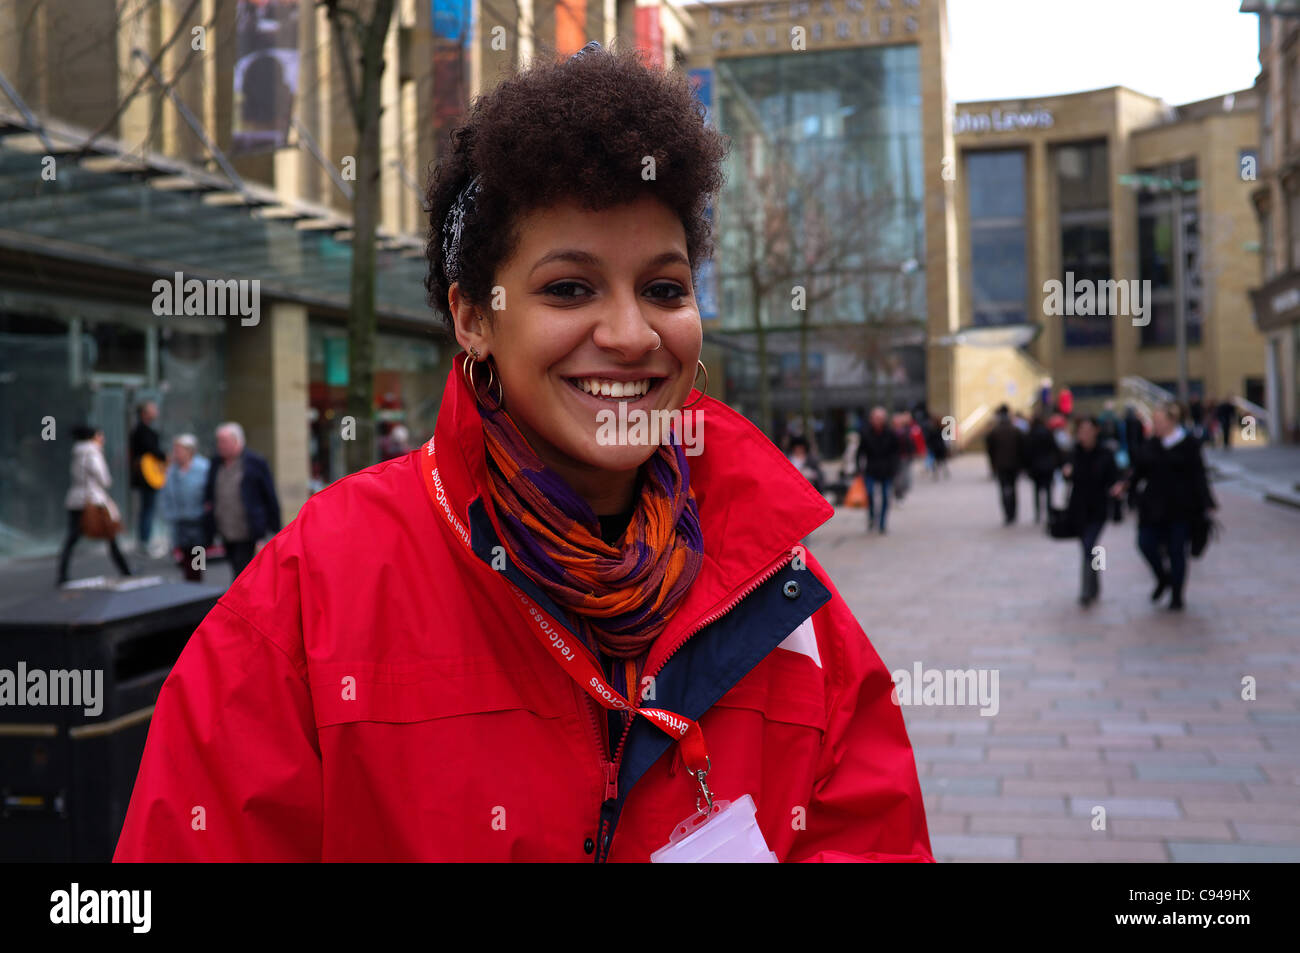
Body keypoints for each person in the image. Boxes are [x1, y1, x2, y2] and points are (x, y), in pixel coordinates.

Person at [115, 44, 931, 863]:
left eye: (664, 288)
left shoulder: (788, 602)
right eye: (569, 288)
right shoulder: (310, 592)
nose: (631, 334)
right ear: (472, 318)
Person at [1122, 402, 1216, 611]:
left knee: (1177, 551)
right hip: (1153, 507)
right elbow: (1138, 472)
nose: (1156, 426)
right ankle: (1163, 578)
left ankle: (1176, 595)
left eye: (1160, 422)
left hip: (1181, 507)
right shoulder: (1150, 444)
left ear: (1172, 421)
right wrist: (1125, 487)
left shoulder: (1189, 444)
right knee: (1145, 543)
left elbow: (1199, 475)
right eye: (1155, 422)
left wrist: (1207, 502)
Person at [202, 422, 281, 583]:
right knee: (234, 566)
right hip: (225, 529)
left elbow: (269, 495)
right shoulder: (216, 463)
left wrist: (274, 529)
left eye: (223, 441)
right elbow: (210, 492)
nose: (220, 446)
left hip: (248, 529)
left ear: (236, 441)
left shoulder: (255, 462)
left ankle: (241, 603)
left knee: (243, 570)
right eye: (218, 441)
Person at [57, 425, 131, 586]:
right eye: (100, 435)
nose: (102, 438)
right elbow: (104, 479)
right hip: (93, 500)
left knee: (72, 538)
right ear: (93, 437)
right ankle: (125, 570)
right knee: (111, 536)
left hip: (75, 499)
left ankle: (62, 573)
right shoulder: (93, 453)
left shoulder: (77, 452)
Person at [1062, 417, 1122, 607]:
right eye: (1081, 430)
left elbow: (1114, 478)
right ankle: (1095, 581)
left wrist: (1117, 489)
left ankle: (1086, 590)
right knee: (1090, 548)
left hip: (1098, 507)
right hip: (1078, 508)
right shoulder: (1074, 452)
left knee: (1090, 545)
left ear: (1096, 431)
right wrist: (1066, 472)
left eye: (1088, 430)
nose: (1084, 435)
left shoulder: (1105, 453)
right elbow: (1066, 476)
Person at [158, 434, 211, 582]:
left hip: (198, 522)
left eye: (178, 450)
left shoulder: (203, 468)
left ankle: (199, 589)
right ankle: (190, 587)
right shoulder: (172, 470)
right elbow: (165, 494)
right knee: (185, 560)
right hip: (179, 522)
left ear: (189, 451)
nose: (175, 454)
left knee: (198, 561)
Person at [856, 406, 902, 534]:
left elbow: (896, 452)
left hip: (886, 470)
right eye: (875, 418)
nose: (877, 421)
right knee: (870, 494)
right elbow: (860, 452)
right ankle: (871, 517)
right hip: (871, 469)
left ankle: (882, 523)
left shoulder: (891, 434)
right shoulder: (866, 433)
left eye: (879, 418)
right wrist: (858, 468)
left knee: (885, 497)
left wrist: (894, 467)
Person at [129, 401, 163, 548]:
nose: (156, 411)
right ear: (144, 413)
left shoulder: (143, 430)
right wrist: (164, 457)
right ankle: (144, 541)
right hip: (147, 476)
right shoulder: (142, 431)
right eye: (152, 409)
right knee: (148, 508)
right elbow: (152, 450)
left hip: (147, 475)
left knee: (147, 508)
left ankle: (144, 539)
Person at [985, 405, 1026, 525]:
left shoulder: (994, 432)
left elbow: (990, 450)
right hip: (1014, 465)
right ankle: (1013, 512)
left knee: (1003, 489)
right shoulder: (1016, 430)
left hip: (1001, 465)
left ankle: (1007, 513)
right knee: (1013, 488)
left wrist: (992, 465)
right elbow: (1022, 449)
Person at [1026, 415, 1061, 524]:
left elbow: (1027, 451)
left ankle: (1038, 514)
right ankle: (1049, 513)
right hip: (1048, 466)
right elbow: (1055, 448)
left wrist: (1027, 466)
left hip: (1035, 466)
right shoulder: (1048, 433)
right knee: (1049, 490)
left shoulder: (1031, 434)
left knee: (1037, 491)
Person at [924, 413, 950, 479]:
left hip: (935, 447)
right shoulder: (942, 429)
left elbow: (928, 439)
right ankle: (944, 472)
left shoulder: (932, 430)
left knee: (936, 461)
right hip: (940, 447)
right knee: (942, 461)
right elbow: (946, 439)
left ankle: (936, 474)